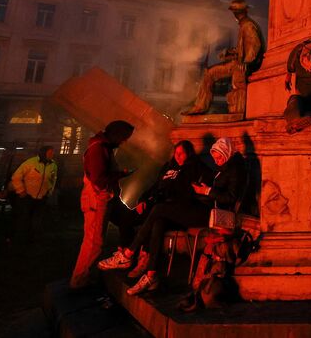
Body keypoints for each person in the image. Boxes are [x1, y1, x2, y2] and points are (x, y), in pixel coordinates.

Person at [128, 137, 248, 296]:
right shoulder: (223, 167)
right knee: (159, 221)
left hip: (212, 214)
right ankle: (151, 275)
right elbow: (156, 186)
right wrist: (204, 189)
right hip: (203, 207)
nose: (216, 160)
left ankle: (129, 252)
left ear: (226, 153)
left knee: (159, 209)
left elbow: (231, 197)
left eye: (219, 157)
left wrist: (205, 191)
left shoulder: (234, 169)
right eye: (214, 157)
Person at [98, 141, 209, 285]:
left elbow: (183, 192)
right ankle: (124, 252)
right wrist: (143, 200)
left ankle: (141, 257)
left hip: (170, 208)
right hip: (154, 204)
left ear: (189, 153)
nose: (178, 156)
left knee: (156, 220)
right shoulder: (168, 167)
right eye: (176, 153)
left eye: (182, 153)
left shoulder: (192, 168)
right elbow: (154, 186)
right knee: (126, 218)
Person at [70, 120, 134, 289]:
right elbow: (98, 178)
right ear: (117, 135)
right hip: (98, 200)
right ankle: (78, 282)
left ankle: (124, 254)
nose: (125, 141)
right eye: (124, 137)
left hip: (107, 198)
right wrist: (120, 174)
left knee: (128, 218)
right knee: (93, 243)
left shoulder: (105, 147)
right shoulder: (98, 149)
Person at [183, 0, 264, 116]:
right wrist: (228, 53)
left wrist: (246, 63)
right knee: (209, 73)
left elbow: (254, 45)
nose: (234, 15)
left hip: (243, 65)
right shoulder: (244, 25)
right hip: (240, 62)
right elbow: (244, 49)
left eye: (235, 12)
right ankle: (200, 106)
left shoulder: (248, 26)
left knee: (211, 73)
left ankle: (201, 107)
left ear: (236, 13)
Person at [9, 145, 57, 244]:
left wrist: (49, 191)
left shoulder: (53, 165)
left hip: (41, 198)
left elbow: (53, 179)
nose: (52, 154)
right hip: (26, 197)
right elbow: (16, 177)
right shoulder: (31, 163)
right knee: (23, 219)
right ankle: (18, 240)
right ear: (43, 153)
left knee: (36, 220)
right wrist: (21, 191)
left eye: (53, 153)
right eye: (50, 152)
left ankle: (31, 240)